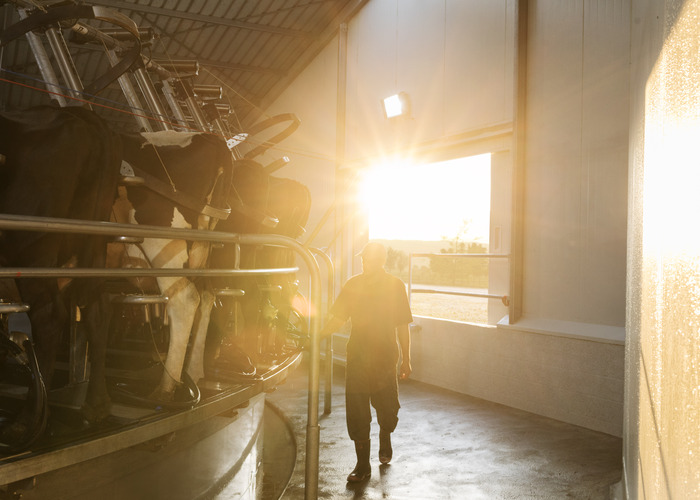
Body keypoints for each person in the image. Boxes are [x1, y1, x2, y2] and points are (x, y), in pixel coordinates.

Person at [320, 241, 413, 483]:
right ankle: (362, 466)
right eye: (363, 259)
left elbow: (402, 324)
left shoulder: (395, 286)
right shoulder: (353, 285)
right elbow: (338, 318)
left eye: (368, 259)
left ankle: (385, 436)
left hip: (384, 357)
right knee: (357, 410)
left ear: (381, 260)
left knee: (387, 406)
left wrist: (406, 359)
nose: (363, 263)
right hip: (358, 358)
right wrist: (318, 335)